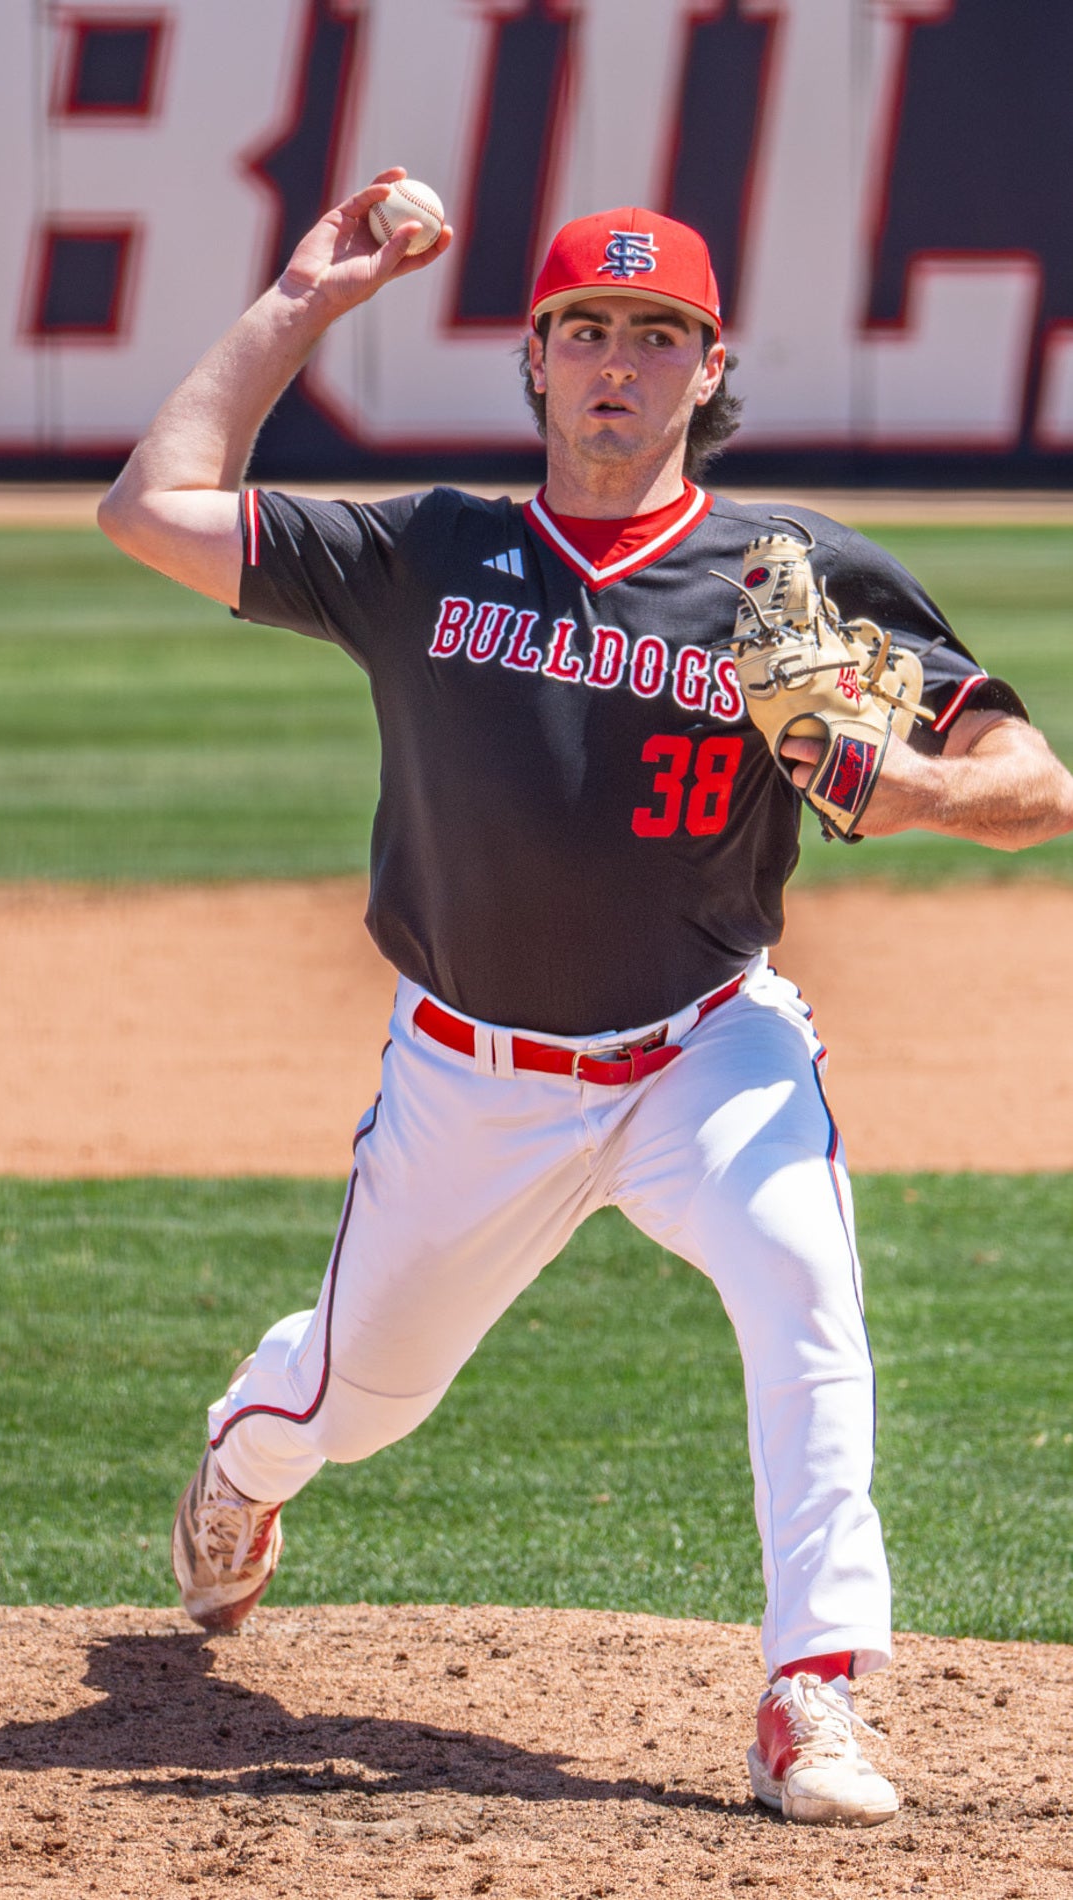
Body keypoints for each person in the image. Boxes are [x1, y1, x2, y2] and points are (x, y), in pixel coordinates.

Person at [98, 169, 1073, 1828]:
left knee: (804, 1290)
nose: (619, 361)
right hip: (470, 1078)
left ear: (709, 369)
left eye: (658, 333)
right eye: (587, 330)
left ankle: (811, 1694)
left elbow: (1036, 779)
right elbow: (147, 508)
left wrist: (908, 784)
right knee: (355, 1396)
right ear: (536, 361)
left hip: (707, 1044)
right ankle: (242, 1467)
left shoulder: (792, 575)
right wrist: (305, 303)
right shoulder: (428, 552)